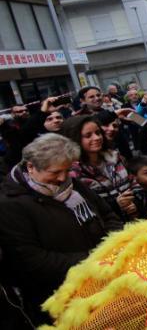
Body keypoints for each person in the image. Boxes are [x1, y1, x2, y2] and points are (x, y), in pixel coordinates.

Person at [0, 134, 122, 324]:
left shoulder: (71, 184)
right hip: (63, 295)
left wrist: (116, 244)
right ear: (31, 167)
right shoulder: (10, 205)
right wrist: (95, 258)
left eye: (67, 170)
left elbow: (107, 214)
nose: (63, 178)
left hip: (104, 276)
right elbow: (33, 260)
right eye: (55, 172)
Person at [63, 115, 137, 221]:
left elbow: (135, 184)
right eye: (88, 135)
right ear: (74, 139)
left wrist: (135, 201)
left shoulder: (116, 157)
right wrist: (116, 205)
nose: (97, 138)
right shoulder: (73, 172)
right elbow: (84, 209)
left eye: (98, 133)